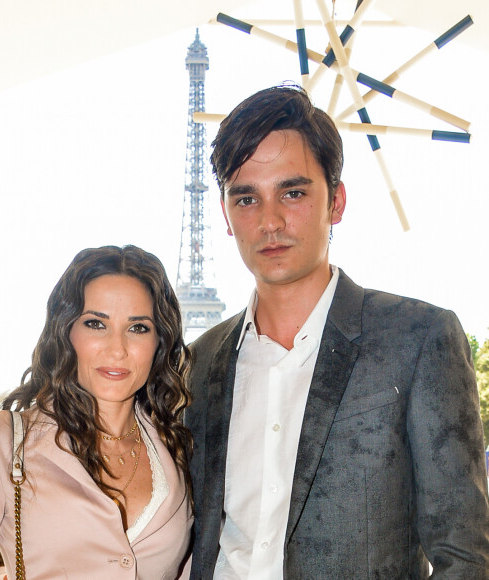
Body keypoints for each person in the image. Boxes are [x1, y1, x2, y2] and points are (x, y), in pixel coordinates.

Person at [185, 84, 489, 578]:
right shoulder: (196, 365)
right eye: (246, 198)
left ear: (337, 201)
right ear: (225, 214)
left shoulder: (418, 338)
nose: (270, 220)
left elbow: (464, 557)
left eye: (294, 192)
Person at [0, 245, 193, 579]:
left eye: (138, 327)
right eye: (96, 323)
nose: (117, 348)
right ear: (66, 332)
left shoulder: (175, 449)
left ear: (160, 341)